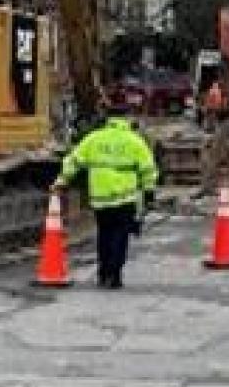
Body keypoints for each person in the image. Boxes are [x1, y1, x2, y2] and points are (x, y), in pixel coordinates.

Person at [54, 107, 160, 289]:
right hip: (125, 198)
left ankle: (103, 273)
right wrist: (149, 193)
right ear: (125, 119)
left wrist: (62, 181)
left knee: (104, 234)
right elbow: (148, 169)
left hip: (100, 198)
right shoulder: (134, 140)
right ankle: (115, 274)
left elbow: (73, 160)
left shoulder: (94, 139)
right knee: (120, 235)